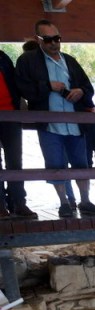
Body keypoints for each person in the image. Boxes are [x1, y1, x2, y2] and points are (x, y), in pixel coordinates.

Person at [15, 20, 95, 218]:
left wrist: (80, 91)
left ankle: (85, 200)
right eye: (48, 40)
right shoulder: (27, 61)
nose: (54, 43)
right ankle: (64, 202)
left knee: (82, 162)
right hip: (49, 124)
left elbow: (87, 87)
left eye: (57, 38)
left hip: (75, 123)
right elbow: (23, 88)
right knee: (55, 163)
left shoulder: (70, 61)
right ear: (38, 40)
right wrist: (48, 86)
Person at [0, 51, 36, 219]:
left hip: (10, 114)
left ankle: (18, 203)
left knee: (15, 161)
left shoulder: (3, 57)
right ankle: (1, 206)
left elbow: (15, 82)